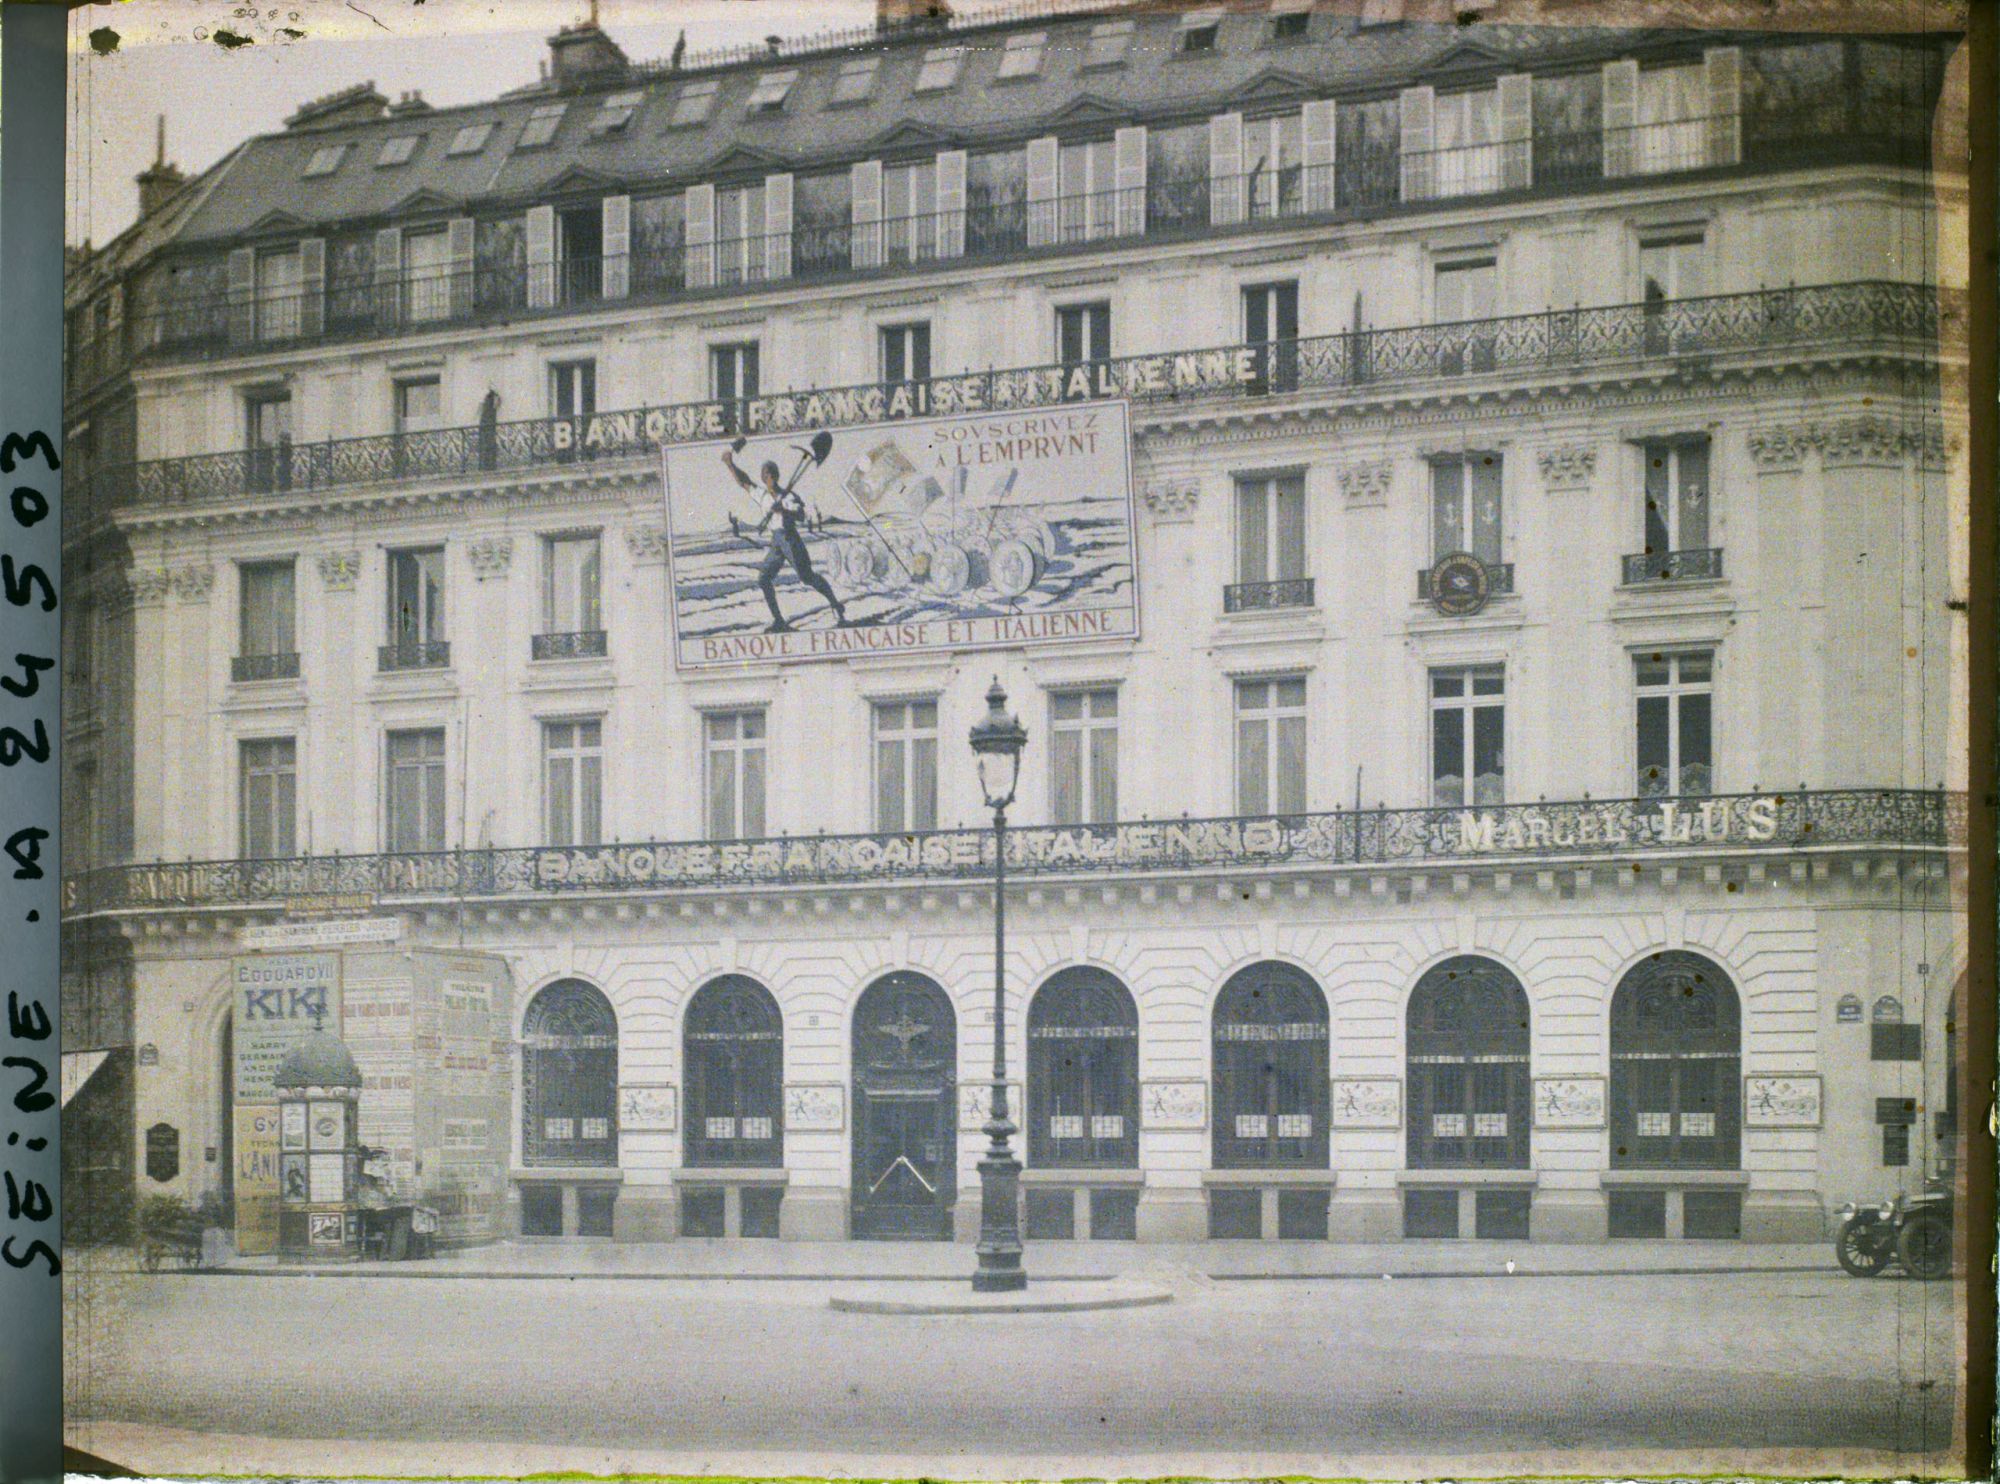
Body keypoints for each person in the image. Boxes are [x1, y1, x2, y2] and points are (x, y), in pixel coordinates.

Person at [721, 438, 849, 633]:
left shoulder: (789, 497)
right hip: (776, 541)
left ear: (776, 476)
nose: (768, 477)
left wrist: (783, 510)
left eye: (770, 474)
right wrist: (730, 464)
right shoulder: (762, 495)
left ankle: (835, 604)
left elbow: (801, 515)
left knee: (807, 577)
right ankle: (779, 621)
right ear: (764, 478)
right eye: (765, 475)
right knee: (763, 580)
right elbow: (744, 482)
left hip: (790, 539)